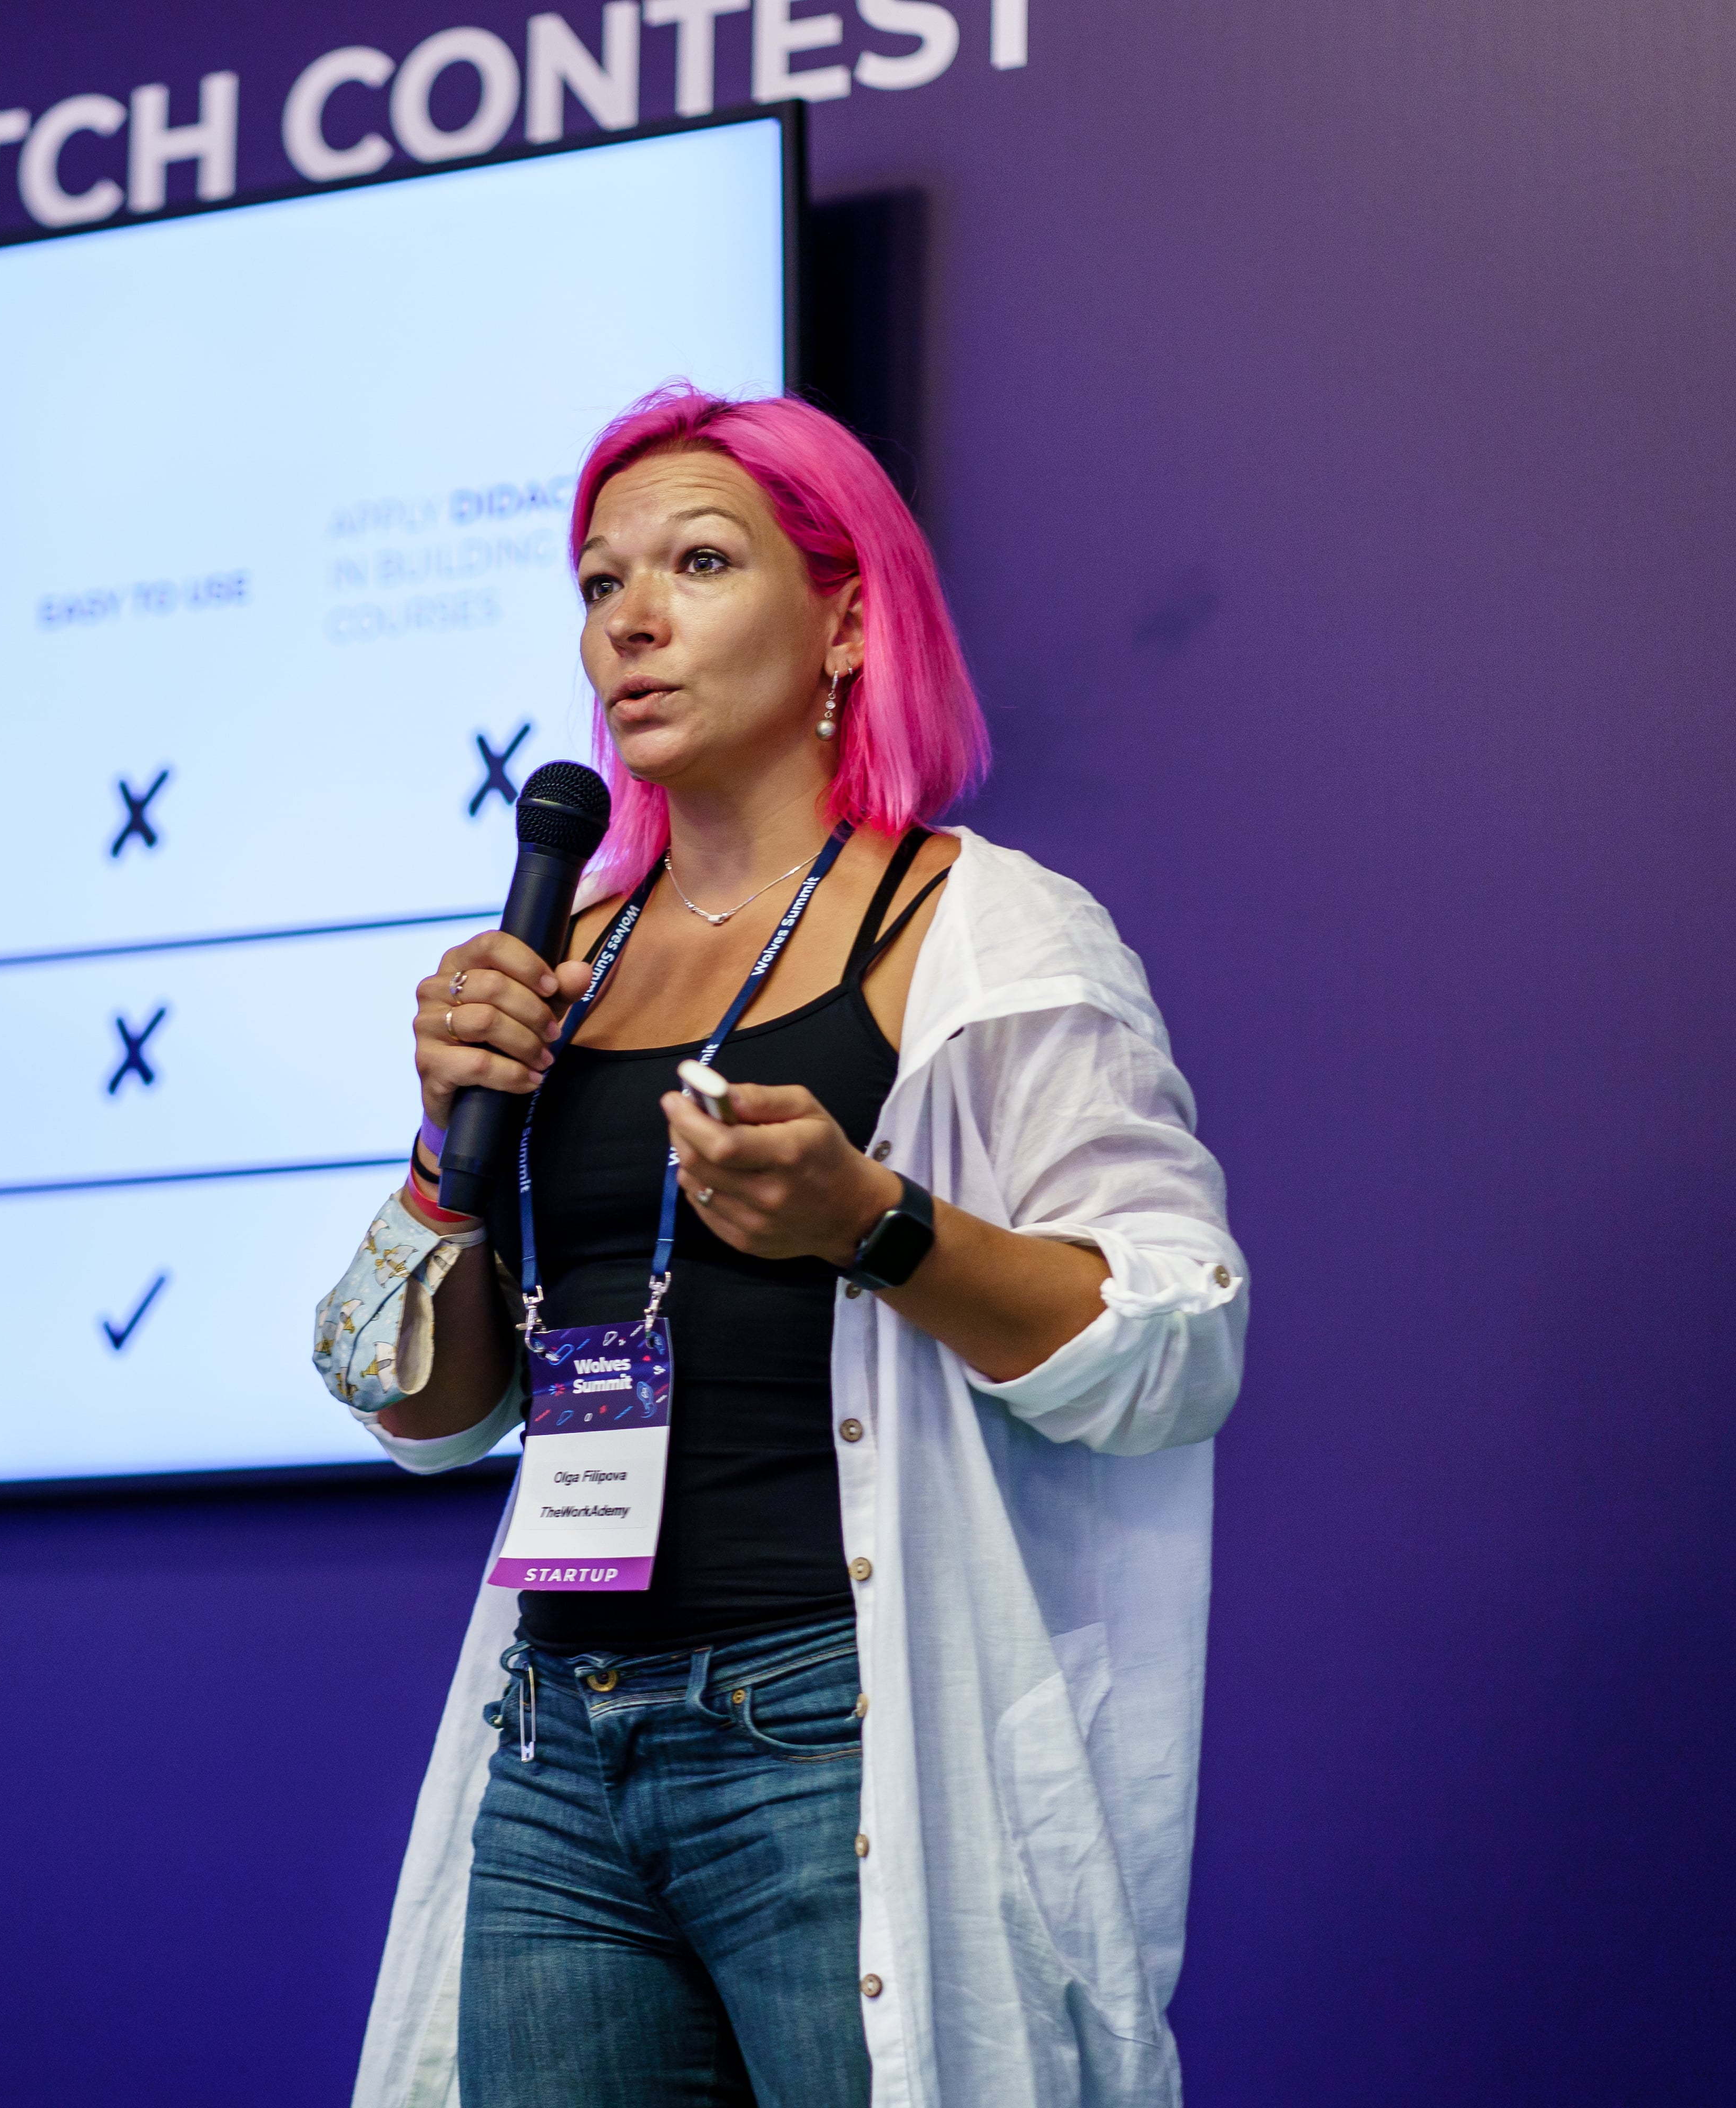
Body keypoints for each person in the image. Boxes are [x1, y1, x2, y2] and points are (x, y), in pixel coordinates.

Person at [314, 387, 1247, 2108]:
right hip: (557, 1737)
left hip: (830, 1730)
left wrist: (871, 1225)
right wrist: (449, 1153)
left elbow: (1177, 1345)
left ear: (843, 618)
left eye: (698, 563)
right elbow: (434, 1418)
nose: (632, 623)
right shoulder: (558, 957)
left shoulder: (978, 928)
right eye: (600, 585)